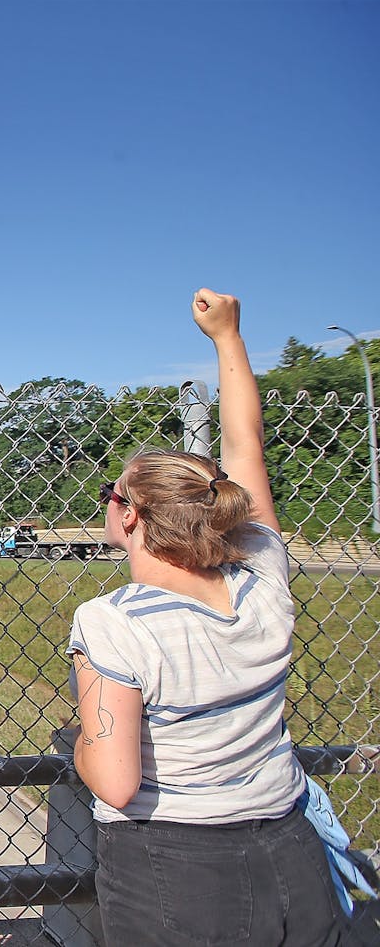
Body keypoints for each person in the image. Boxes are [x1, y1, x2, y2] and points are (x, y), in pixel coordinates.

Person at [68, 288, 357, 946]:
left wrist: (82, 740)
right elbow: (246, 447)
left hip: (175, 867)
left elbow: (116, 779)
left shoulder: (113, 621)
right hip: (288, 842)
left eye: (110, 493)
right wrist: (229, 337)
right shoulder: (261, 577)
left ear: (130, 515)